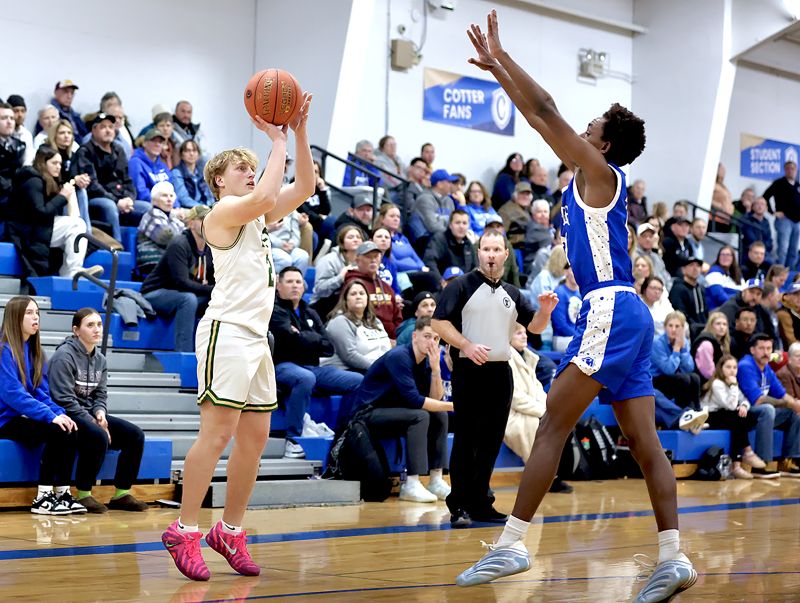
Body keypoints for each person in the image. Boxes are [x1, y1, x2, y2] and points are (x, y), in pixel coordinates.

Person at [456, 12, 696, 599]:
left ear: (604, 142)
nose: (580, 126)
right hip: (625, 313)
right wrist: (498, 69)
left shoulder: (598, 171)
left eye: (590, 124)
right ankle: (674, 558)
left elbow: (542, 110)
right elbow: (546, 108)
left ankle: (512, 544)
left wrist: (502, 61)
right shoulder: (588, 179)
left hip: (612, 309)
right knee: (642, 442)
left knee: (550, 426)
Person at [161, 93, 315, 582]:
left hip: (256, 338)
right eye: (241, 169)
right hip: (225, 332)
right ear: (217, 181)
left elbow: (305, 185)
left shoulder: (257, 216)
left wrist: (300, 131)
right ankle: (184, 529)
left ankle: (229, 530)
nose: (251, 173)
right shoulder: (220, 215)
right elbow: (268, 196)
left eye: (254, 167)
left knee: (254, 439)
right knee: (219, 433)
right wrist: (275, 140)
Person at [433, 226, 556, 527]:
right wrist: (465, 344)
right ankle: (459, 504)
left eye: (496, 250)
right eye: (485, 249)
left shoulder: (512, 293)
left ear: (504, 254)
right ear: (479, 253)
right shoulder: (461, 286)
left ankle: (481, 503)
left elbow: (535, 328)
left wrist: (545, 311)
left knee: (491, 441)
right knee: (466, 440)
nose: (490, 255)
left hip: (501, 372)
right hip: (468, 369)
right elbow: (438, 323)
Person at [48, 308, 148, 512]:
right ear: (76, 330)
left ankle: (122, 493)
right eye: (90, 325)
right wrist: (94, 422)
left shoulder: (100, 359)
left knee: (135, 435)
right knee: (97, 435)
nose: (96, 329)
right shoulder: (63, 356)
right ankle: (83, 494)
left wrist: (100, 413)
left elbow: (100, 394)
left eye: (99, 324)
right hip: (66, 414)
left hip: (89, 413)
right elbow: (64, 399)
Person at [350, 317, 452, 502]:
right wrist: (457, 406)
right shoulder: (399, 357)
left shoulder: (428, 361)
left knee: (440, 415)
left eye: (436, 339)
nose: (432, 342)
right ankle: (411, 484)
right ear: (415, 336)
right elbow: (415, 400)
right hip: (367, 415)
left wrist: (436, 370)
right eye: (427, 336)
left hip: (395, 412)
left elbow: (435, 399)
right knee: (420, 416)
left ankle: (436, 480)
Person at [0, 297, 82, 515]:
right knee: (55, 429)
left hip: (19, 417)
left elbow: (40, 392)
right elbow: (13, 394)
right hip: (4, 420)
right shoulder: (3, 350)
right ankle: (43, 497)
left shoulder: (34, 351)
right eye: (28, 313)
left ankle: (63, 493)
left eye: (36, 312)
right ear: (15, 317)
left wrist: (59, 413)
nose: (35, 317)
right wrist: (49, 417)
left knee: (68, 427)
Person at [270, 267, 362, 459]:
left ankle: (343, 432)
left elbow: (328, 347)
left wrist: (302, 336)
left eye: (298, 282)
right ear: (278, 286)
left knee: (357, 380)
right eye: (289, 282)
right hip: (281, 366)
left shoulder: (310, 312)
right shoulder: (274, 310)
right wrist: (312, 340)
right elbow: (285, 337)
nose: (295, 286)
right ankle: (292, 439)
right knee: (305, 378)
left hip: (312, 368)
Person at [6, 145, 90, 278]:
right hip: (27, 231)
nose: (58, 167)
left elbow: (75, 216)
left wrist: (69, 195)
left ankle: (73, 270)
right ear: (43, 163)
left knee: (78, 225)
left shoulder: (50, 181)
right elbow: (41, 212)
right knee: (77, 225)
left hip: (38, 228)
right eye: (54, 163)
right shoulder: (33, 181)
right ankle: (71, 271)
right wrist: (62, 196)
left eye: (60, 163)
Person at [140, 205, 214, 353]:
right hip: (155, 292)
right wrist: (212, 289)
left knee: (218, 300)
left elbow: (213, 279)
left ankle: (211, 352)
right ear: (191, 223)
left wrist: (217, 290)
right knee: (188, 299)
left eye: (210, 219)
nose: (207, 223)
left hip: (183, 293)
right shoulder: (179, 243)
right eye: (202, 219)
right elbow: (181, 282)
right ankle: (183, 353)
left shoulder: (211, 248)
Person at [73, 113, 149, 241]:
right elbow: (92, 185)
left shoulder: (119, 150)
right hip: (97, 199)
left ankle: (143, 250)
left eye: (111, 127)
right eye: (103, 127)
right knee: (109, 206)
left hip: (121, 198)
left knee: (148, 209)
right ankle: (116, 250)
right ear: (94, 130)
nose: (108, 130)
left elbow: (127, 180)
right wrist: (116, 201)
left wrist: (129, 199)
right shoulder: (85, 151)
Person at [737, 333, 800, 478]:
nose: (766, 352)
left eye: (769, 348)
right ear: (752, 350)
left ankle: (788, 462)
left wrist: (795, 405)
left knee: (794, 413)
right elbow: (758, 400)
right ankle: (762, 464)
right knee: (767, 409)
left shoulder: (766, 368)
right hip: (743, 413)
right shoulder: (746, 366)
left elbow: (782, 394)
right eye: (762, 348)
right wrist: (789, 403)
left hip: (760, 414)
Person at [701, 355, 764, 479]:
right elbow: (730, 405)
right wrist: (733, 386)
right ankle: (746, 454)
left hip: (726, 415)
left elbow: (744, 400)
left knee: (743, 418)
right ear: (720, 368)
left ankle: (737, 465)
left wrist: (744, 406)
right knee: (738, 418)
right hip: (711, 416)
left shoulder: (731, 383)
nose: (732, 370)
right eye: (728, 367)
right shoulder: (717, 383)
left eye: (734, 367)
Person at [322, 279, 392, 372]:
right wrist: (378, 369)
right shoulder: (339, 322)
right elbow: (349, 356)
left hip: (376, 368)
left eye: (362, 293)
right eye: (353, 294)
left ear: (367, 298)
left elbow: (387, 348)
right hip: (347, 369)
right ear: (345, 300)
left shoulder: (376, 321)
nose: (358, 297)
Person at [343, 242, 403, 339]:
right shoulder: (353, 285)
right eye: (368, 257)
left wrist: (396, 338)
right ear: (357, 260)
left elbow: (397, 317)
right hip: (368, 338)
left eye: (376, 256)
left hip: (392, 338)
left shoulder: (386, 287)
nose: (373, 260)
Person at [651, 311, 702, 412]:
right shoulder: (657, 343)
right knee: (683, 379)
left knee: (695, 378)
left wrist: (683, 350)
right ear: (665, 327)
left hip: (674, 378)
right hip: (656, 379)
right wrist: (676, 350)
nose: (673, 329)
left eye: (677, 326)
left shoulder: (684, 342)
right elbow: (668, 369)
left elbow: (689, 368)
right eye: (670, 326)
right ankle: (685, 412)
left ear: (683, 328)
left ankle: (697, 410)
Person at [310, 224, 364, 318]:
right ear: (342, 242)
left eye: (358, 237)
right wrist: (340, 278)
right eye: (350, 237)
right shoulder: (328, 260)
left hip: (349, 304)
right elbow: (320, 289)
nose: (355, 239)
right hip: (324, 305)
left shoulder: (363, 261)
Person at [136, 181, 186, 277]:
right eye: (164, 196)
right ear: (154, 200)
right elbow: (166, 237)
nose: (169, 199)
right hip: (153, 262)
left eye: (171, 196)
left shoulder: (173, 218)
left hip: (169, 262)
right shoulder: (151, 214)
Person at [762, 161, 800, 268]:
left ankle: (789, 273)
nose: (790, 171)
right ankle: (779, 272)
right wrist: (772, 212)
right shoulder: (779, 183)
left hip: (797, 222)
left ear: (796, 170)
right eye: (788, 168)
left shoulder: (798, 185)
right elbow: (765, 196)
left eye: (792, 168)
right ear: (785, 170)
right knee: (783, 249)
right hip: (784, 220)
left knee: (794, 250)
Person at [718, 278, 777, 345]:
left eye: (758, 294)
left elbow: (772, 335)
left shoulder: (762, 310)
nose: (754, 297)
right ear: (744, 291)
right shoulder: (730, 308)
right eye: (751, 292)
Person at [423, 209, 478, 279]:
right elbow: (430, 262)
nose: (461, 226)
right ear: (450, 225)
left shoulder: (468, 243)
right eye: (457, 223)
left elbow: (475, 267)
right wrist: (440, 282)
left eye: (464, 223)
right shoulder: (439, 240)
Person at [128, 129, 173, 202]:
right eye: (153, 141)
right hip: (146, 204)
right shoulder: (135, 163)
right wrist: (162, 204)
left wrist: (176, 206)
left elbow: (172, 191)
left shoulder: (162, 166)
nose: (157, 144)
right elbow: (140, 192)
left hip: (166, 204)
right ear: (144, 143)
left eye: (160, 142)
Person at [668, 257, 707, 335]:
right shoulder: (678, 289)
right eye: (691, 265)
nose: (695, 268)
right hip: (687, 331)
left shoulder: (701, 289)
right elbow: (680, 313)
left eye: (698, 266)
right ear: (683, 270)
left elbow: (705, 312)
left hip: (702, 329)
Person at [171, 140, 213, 208]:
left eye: (194, 150)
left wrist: (212, 206)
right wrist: (203, 208)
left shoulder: (201, 171)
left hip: (205, 207)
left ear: (198, 154)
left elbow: (209, 195)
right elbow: (183, 199)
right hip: (188, 209)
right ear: (181, 155)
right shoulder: (176, 172)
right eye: (187, 151)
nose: (191, 153)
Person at [267, 210, 310, 276]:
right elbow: (261, 233)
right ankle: (277, 284)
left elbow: (295, 232)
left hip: (289, 246)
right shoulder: (265, 208)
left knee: (303, 256)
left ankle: (296, 283)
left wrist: (293, 244)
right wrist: (280, 244)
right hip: (271, 245)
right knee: (285, 259)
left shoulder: (292, 210)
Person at [692, 311, 731, 381]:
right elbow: (708, 372)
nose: (722, 327)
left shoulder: (724, 344)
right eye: (718, 324)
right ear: (711, 325)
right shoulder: (706, 344)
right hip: (708, 382)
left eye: (724, 324)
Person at [551, 263, 581, 352]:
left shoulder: (581, 293)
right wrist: (580, 337)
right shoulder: (559, 292)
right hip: (562, 338)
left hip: (577, 337)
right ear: (566, 272)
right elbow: (561, 325)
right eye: (574, 270)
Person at [634, 222, 671, 289]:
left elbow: (667, 278)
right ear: (637, 238)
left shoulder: (656, 257)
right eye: (644, 236)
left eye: (650, 236)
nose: (648, 239)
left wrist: (664, 292)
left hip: (661, 293)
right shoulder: (633, 256)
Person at [498, 181, 533, 248]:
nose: (525, 197)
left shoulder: (530, 209)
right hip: (517, 248)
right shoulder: (506, 211)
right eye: (522, 193)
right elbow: (500, 233)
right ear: (515, 195)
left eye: (527, 194)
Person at [523, 199, 554, 272]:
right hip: (534, 266)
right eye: (539, 212)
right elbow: (552, 243)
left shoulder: (550, 227)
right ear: (533, 214)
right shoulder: (534, 229)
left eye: (545, 212)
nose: (543, 214)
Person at [740, 196, 774, 260]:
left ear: (766, 208)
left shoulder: (766, 222)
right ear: (753, 207)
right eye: (757, 204)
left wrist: (764, 249)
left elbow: (769, 240)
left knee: (774, 263)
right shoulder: (747, 219)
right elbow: (750, 238)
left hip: (764, 252)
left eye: (762, 204)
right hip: (749, 252)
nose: (760, 206)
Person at [6, 94, 34, 166]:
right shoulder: (3, 133)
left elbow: (28, 160)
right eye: (16, 111)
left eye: (23, 111)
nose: (20, 115)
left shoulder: (26, 134)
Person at [777, 283, 800, 349]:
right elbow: (791, 341)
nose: (799, 297)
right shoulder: (783, 314)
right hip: (790, 352)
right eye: (795, 294)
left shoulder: (797, 310)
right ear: (786, 297)